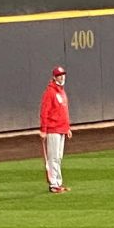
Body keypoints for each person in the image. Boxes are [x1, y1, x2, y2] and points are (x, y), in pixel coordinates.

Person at [40, 64, 72, 193]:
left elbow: (64, 111)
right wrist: (43, 129)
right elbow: (44, 111)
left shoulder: (62, 91)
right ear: (54, 77)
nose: (62, 77)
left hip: (61, 128)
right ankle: (53, 184)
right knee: (53, 157)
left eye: (63, 75)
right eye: (59, 75)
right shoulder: (50, 92)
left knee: (58, 157)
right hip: (53, 128)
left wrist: (67, 128)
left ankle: (58, 182)